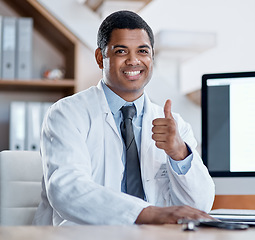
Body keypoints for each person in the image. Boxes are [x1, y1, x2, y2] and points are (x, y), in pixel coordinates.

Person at [32, 10, 215, 226]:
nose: (134, 60)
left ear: (152, 57)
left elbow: (200, 206)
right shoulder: (67, 114)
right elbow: (67, 190)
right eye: (121, 51)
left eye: (143, 51)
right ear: (101, 58)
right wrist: (147, 214)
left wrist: (179, 153)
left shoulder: (174, 124)